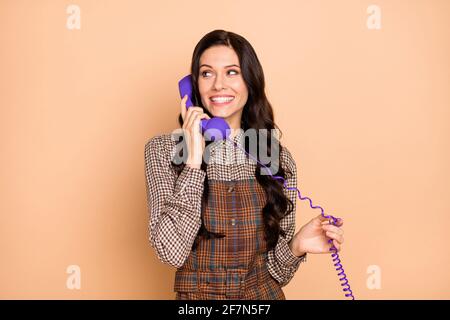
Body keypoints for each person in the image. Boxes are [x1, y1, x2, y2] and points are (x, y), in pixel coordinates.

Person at [144, 29, 344, 300]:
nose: (218, 85)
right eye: (206, 73)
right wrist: (192, 161)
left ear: (250, 81)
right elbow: (171, 252)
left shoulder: (277, 158)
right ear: (192, 87)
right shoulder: (163, 151)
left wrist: (297, 245)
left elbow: (277, 274)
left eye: (232, 72)